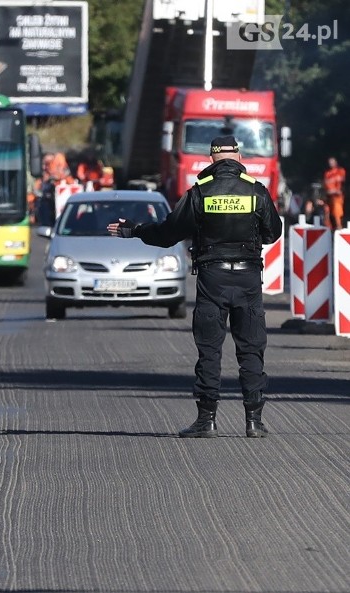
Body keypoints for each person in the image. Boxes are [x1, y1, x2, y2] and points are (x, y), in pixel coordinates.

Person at [107, 135, 282, 438]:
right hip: (248, 279)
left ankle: (207, 420)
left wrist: (135, 230)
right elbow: (273, 232)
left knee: (209, 349)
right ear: (238, 157)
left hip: (212, 278)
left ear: (211, 159)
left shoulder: (199, 193)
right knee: (252, 348)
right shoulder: (257, 192)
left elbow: (167, 233)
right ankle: (254, 421)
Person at [323, 156, 345, 230]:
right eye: (329, 162)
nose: (331, 163)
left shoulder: (340, 171)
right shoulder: (327, 173)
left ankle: (339, 227)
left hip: (337, 196)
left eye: (332, 162)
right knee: (326, 211)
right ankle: (329, 229)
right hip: (329, 196)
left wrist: (335, 190)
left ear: (336, 162)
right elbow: (326, 185)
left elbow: (342, 182)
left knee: (336, 211)